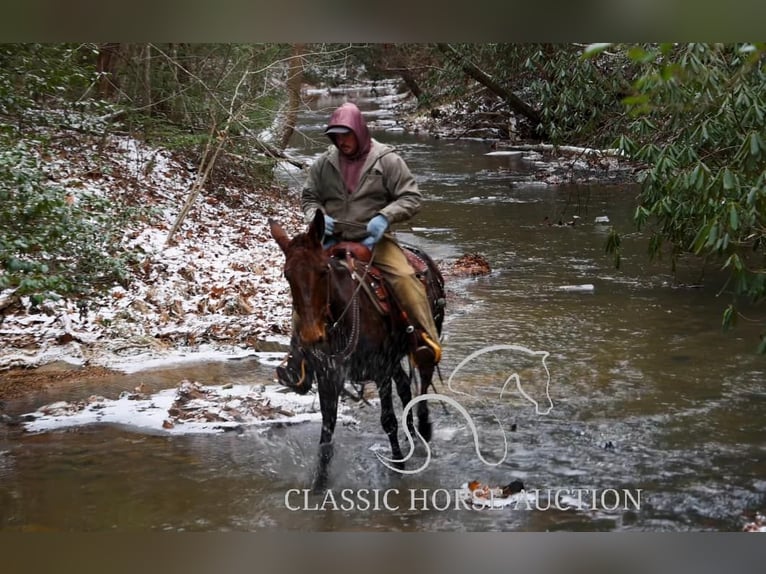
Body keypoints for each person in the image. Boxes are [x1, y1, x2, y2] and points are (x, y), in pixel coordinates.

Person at [276, 102, 441, 388]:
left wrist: (384, 217)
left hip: (374, 239)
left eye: (346, 135)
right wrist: (317, 218)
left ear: (360, 132)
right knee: (306, 283)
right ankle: (298, 359)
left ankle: (424, 342)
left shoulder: (387, 160)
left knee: (404, 279)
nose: (342, 142)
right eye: (336, 137)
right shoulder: (324, 163)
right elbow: (309, 198)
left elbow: (411, 198)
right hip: (331, 238)